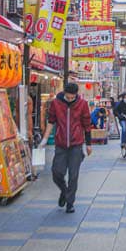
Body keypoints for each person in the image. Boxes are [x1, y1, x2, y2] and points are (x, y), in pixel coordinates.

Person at [46, 82, 92, 213]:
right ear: (64, 93)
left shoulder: (82, 104)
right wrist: (44, 139)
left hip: (76, 144)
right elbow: (51, 121)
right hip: (60, 144)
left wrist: (88, 144)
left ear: (76, 95)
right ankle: (64, 191)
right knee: (56, 172)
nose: (70, 99)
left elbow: (87, 124)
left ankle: (70, 203)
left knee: (73, 175)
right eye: (68, 97)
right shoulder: (56, 103)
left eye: (73, 97)